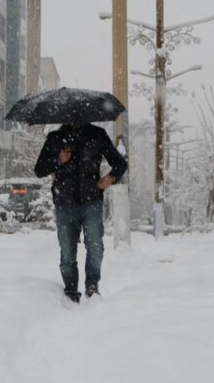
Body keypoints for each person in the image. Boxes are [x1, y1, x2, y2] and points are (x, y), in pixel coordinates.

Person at [34, 123, 128, 303]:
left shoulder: (97, 135)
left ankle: (92, 287)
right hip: (64, 204)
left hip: (91, 201)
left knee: (95, 247)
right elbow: (39, 169)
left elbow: (120, 163)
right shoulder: (55, 138)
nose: (75, 118)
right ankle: (71, 292)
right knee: (67, 252)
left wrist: (110, 178)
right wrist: (58, 160)